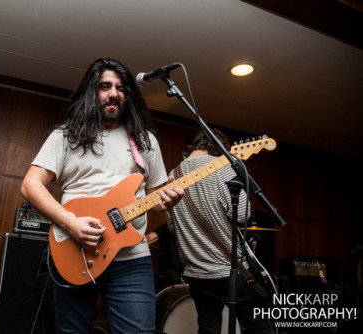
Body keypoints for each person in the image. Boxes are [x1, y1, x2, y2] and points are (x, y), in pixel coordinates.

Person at [21, 58, 184, 334]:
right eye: (105, 86)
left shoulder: (145, 141)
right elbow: (30, 186)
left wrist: (166, 199)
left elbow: (154, 196)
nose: (113, 94)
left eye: (120, 88)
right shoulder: (66, 136)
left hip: (131, 259)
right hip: (75, 252)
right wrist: (72, 224)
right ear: (91, 91)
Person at [166, 128, 274, 334]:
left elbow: (172, 227)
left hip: (195, 272)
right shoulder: (221, 167)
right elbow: (243, 215)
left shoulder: (173, 174)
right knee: (258, 328)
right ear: (220, 148)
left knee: (208, 328)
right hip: (227, 270)